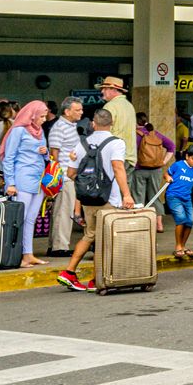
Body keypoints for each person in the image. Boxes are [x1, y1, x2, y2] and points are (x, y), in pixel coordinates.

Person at [57, 107, 136, 292]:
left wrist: (89, 186)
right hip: (109, 199)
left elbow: (71, 173)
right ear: (112, 124)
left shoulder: (81, 144)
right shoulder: (116, 143)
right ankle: (96, 279)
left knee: (90, 234)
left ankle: (69, 272)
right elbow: (118, 168)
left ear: (93, 123)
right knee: (105, 239)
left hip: (88, 199)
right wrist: (127, 194)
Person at [0, 99, 51, 267]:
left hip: (38, 179)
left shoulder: (39, 131)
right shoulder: (18, 131)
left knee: (31, 219)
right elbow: (9, 158)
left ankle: (28, 254)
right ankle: (17, 254)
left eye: (44, 116)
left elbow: (47, 157)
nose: (43, 119)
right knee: (20, 218)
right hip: (22, 178)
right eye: (41, 116)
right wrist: (10, 183)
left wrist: (45, 152)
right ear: (32, 115)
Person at [46, 96, 86, 256]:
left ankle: (56, 244)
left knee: (64, 210)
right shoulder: (59, 127)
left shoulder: (70, 126)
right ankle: (59, 247)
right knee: (63, 211)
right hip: (63, 176)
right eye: (77, 110)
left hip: (70, 175)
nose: (81, 112)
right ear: (67, 111)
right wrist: (58, 177)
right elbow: (54, 154)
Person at [162, 145, 193, 259]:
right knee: (181, 219)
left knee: (189, 222)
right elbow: (166, 173)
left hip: (187, 198)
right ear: (187, 156)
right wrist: (167, 177)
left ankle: (183, 245)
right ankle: (178, 246)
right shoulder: (178, 165)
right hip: (173, 197)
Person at [132, 114, 175, 215]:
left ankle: (140, 220)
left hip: (139, 170)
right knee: (155, 196)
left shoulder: (134, 135)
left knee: (139, 197)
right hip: (156, 170)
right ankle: (159, 224)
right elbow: (171, 146)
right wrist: (163, 162)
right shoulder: (155, 134)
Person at [98, 75, 138, 163]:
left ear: (113, 89)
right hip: (130, 157)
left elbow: (102, 131)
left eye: (105, 88)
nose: (102, 91)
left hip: (115, 157)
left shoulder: (110, 106)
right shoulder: (129, 106)